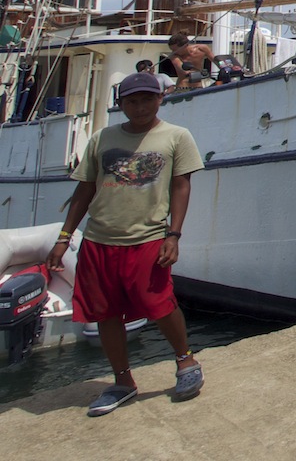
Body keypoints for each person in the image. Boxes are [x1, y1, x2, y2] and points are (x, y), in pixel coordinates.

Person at [46, 72, 205, 416]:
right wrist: (64, 238)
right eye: (132, 101)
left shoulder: (177, 137)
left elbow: (181, 186)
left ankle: (186, 361)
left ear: (160, 99)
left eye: (148, 98)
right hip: (98, 240)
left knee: (159, 303)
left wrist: (173, 235)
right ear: (121, 104)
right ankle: (122, 381)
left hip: (147, 238)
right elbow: (85, 190)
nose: (141, 106)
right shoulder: (102, 138)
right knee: (104, 312)